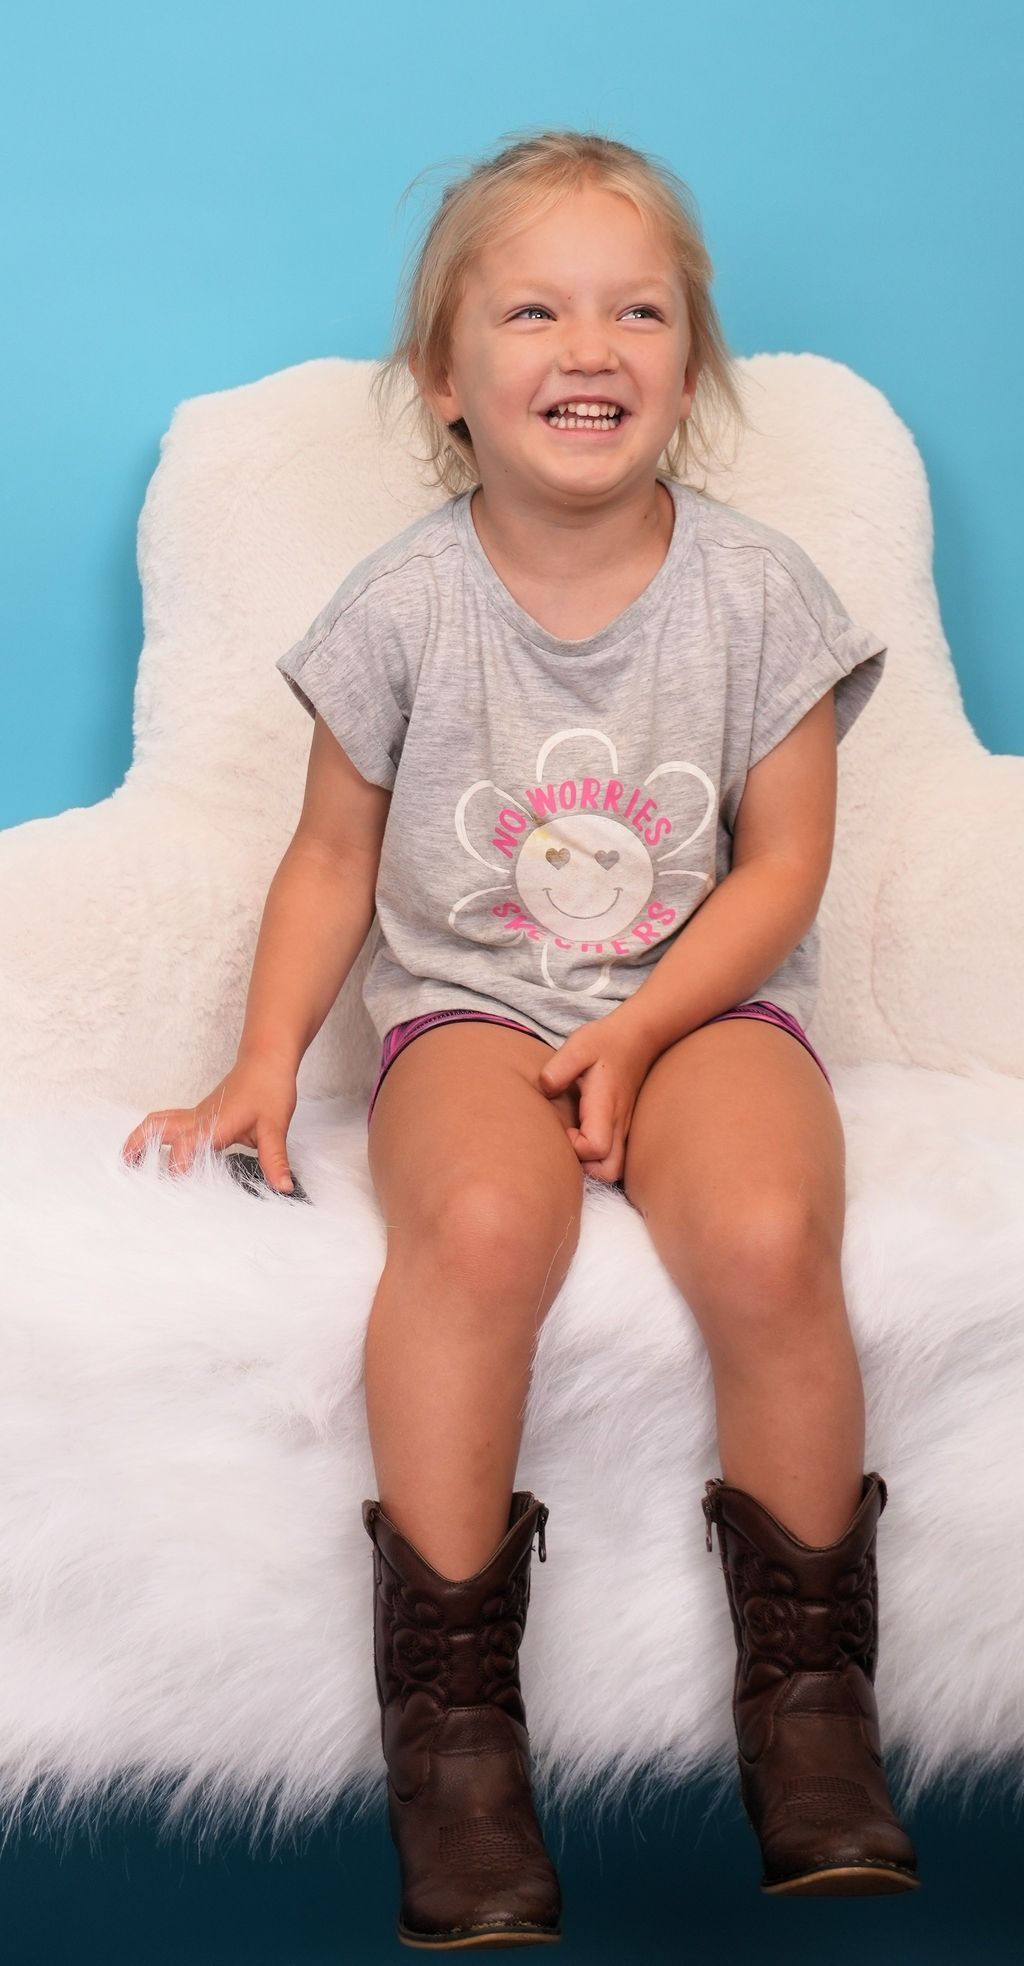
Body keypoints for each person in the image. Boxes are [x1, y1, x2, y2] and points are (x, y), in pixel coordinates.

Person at [121, 128, 919, 1946]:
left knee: (773, 1236)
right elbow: (333, 858)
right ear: (449, 381)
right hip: (471, 1005)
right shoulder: (405, 603)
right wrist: (263, 1057)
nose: (592, 344)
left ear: (690, 366)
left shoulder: (762, 592)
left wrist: (644, 1032)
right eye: (537, 309)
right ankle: (458, 1727)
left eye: (639, 310)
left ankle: (810, 1705)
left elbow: (782, 867)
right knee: (483, 1230)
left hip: (705, 985)